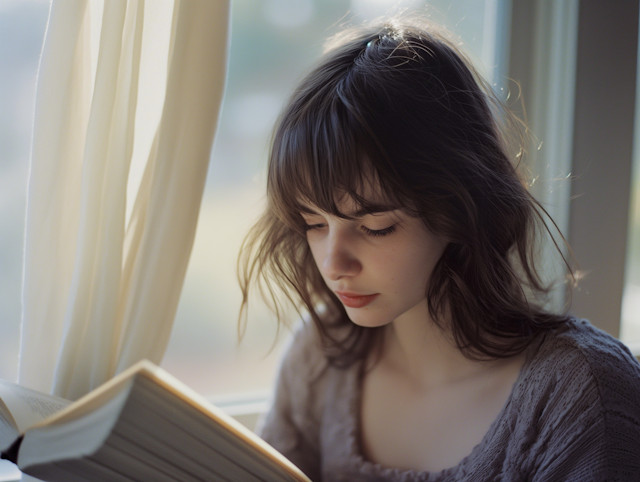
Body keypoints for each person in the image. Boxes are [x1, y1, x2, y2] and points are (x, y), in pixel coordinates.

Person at [238, 17, 640, 482]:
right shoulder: (319, 357)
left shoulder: (579, 396)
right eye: (313, 223)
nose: (334, 263)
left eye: (375, 227)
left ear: (458, 207)